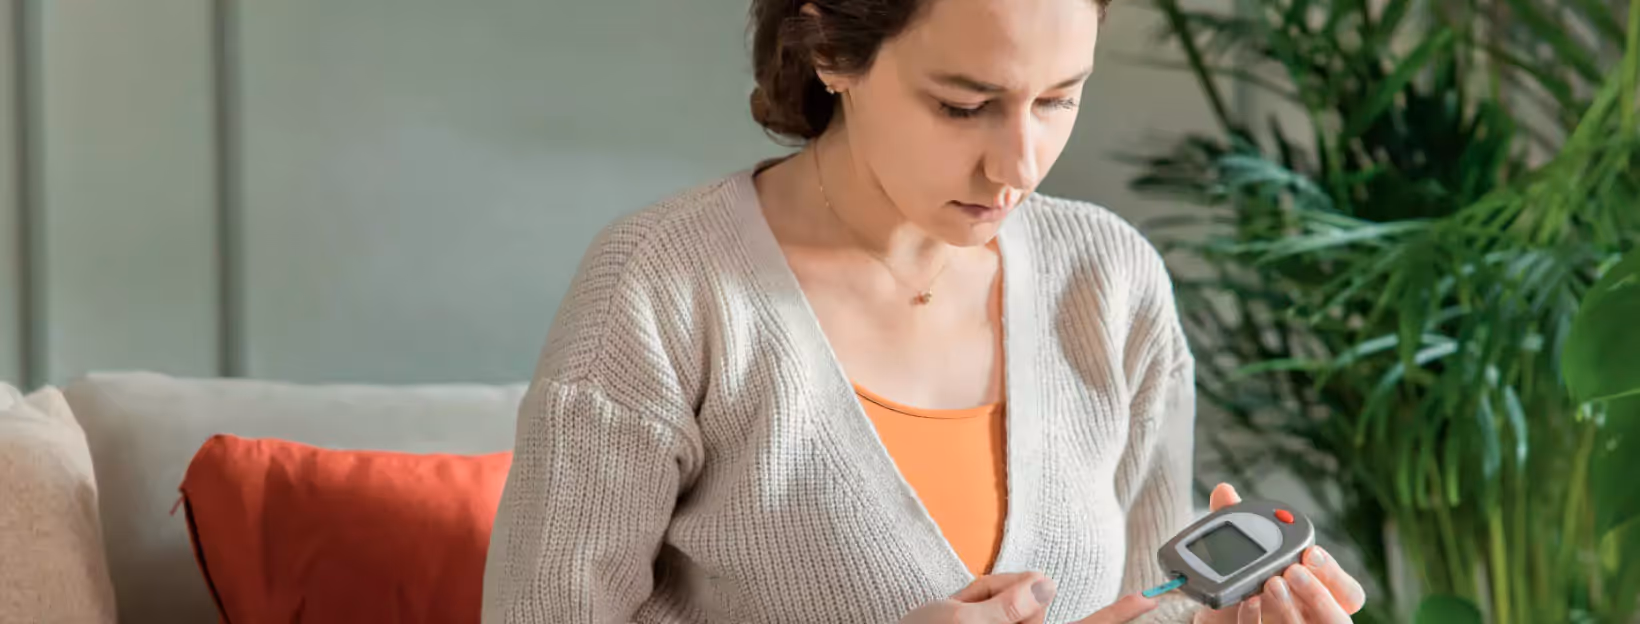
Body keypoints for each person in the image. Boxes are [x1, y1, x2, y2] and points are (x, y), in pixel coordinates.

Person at [481, 0, 1368, 621]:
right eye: (965, 105)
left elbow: (1146, 602)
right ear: (829, 50)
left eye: (1060, 99)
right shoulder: (664, 290)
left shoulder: (1111, 282)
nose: (1020, 165)